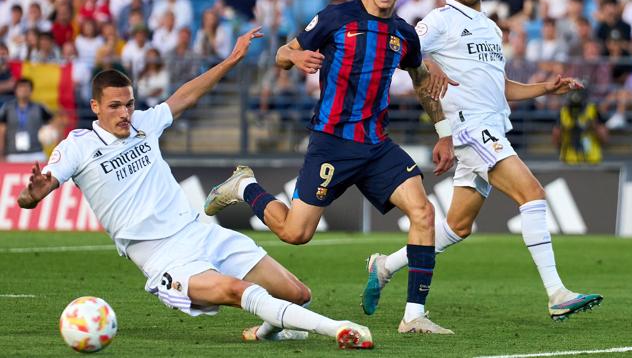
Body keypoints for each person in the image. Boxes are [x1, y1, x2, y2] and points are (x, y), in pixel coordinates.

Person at [16, 27, 373, 350]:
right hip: (164, 258)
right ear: (95, 107)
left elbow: (186, 96)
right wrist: (32, 195)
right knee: (235, 291)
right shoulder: (78, 145)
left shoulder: (143, 124)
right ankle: (336, 328)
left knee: (298, 294)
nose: (125, 113)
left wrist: (231, 60)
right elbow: (37, 190)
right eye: (115, 107)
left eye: (128, 104)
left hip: (198, 232)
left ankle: (267, 330)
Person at [205, 0, 457, 334]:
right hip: (332, 142)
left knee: (423, 212)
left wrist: (443, 133)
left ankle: (413, 316)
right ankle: (245, 186)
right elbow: (281, 52)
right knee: (295, 233)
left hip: (376, 144)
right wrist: (297, 56)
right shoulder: (337, 17)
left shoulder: (404, 34)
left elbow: (421, 79)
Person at [362, 0, 603, 322]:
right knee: (533, 194)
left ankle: (385, 265)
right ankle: (556, 293)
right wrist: (431, 63)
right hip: (471, 127)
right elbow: (401, 49)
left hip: (491, 124)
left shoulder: (490, 27)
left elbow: (501, 86)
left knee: (458, 227)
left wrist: (544, 88)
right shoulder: (441, 19)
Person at [0, 78, 53, 162]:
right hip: (13, 153)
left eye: (26, 88)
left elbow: (53, 122)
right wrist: (1, 154)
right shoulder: (7, 108)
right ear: (15, 91)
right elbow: (2, 131)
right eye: (21, 88)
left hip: (36, 152)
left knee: (43, 172)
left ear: (31, 91)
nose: (23, 90)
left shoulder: (40, 107)